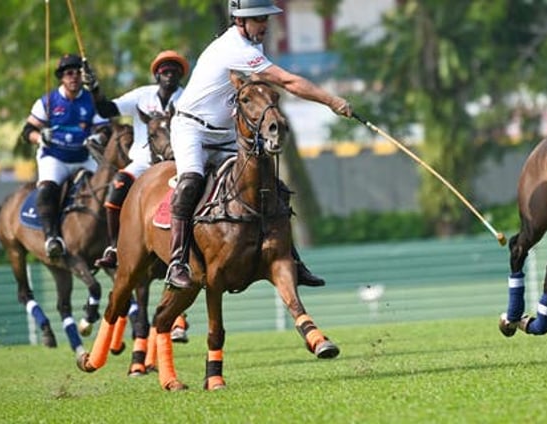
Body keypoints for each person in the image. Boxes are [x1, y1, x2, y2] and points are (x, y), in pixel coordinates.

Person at [165, 0, 353, 290]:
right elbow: (287, 81)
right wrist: (331, 101)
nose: (264, 24)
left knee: (269, 184)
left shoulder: (253, 47)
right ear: (240, 21)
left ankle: (292, 259)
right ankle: (177, 262)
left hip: (226, 133)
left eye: (265, 18)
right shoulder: (235, 48)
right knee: (190, 182)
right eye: (258, 19)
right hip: (192, 129)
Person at [93, 50, 190, 269]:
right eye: (165, 71)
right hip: (143, 162)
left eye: (175, 71)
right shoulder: (142, 96)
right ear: (157, 75)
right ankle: (114, 247)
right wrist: (94, 90)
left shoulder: (188, 98)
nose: (169, 75)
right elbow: (106, 109)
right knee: (117, 186)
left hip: (178, 160)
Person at [21, 53, 107, 258]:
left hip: (84, 156)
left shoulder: (90, 100)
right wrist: (40, 136)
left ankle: (112, 238)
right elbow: (27, 131)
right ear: (62, 77)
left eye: (78, 72)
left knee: (108, 186)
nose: (74, 77)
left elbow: (105, 128)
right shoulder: (48, 101)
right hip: (55, 157)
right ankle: (52, 238)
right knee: (48, 188)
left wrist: (98, 138)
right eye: (69, 73)